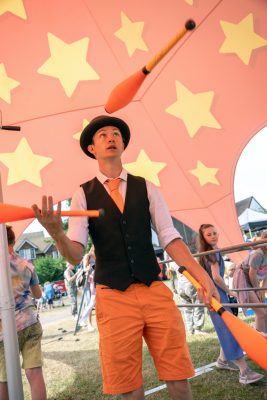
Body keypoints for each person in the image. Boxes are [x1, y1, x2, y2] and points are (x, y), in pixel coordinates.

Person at [32, 115, 219, 400]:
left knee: (178, 376)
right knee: (130, 388)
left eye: (116, 133)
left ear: (123, 143)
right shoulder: (82, 194)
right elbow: (75, 254)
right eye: (103, 134)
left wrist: (202, 275)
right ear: (92, 148)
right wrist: (57, 235)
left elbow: (169, 236)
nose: (110, 137)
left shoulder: (147, 187)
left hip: (155, 290)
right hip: (113, 296)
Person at [197, 223, 264, 385]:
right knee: (228, 330)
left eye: (214, 233)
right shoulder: (212, 253)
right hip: (217, 296)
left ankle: (222, 361)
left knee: (224, 328)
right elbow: (216, 277)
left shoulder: (209, 252)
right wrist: (229, 291)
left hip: (214, 295)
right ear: (203, 238)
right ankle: (244, 372)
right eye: (209, 234)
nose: (213, 236)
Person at [0, 226, 46, 400]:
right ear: (13, 240)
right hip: (30, 323)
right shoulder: (27, 264)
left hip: (5, 329)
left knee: (4, 377)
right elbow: (38, 294)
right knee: (34, 373)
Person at [233, 230, 267, 335]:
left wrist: (262, 290)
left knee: (264, 311)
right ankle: (260, 340)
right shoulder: (259, 254)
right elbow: (252, 274)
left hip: (253, 283)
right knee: (261, 313)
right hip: (243, 280)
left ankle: (264, 336)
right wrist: (257, 290)